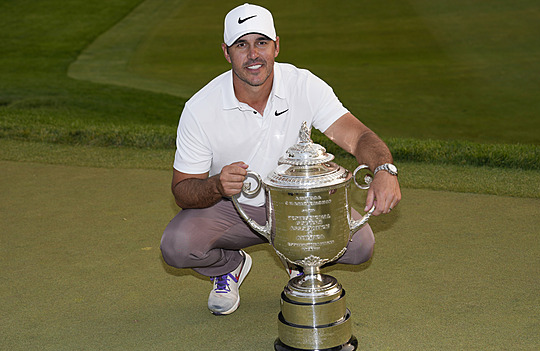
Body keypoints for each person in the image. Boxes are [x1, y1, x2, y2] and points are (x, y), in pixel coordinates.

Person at [160, 3, 401, 315]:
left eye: (261, 42)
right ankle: (228, 267)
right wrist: (217, 186)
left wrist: (384, 169)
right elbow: (182, 190)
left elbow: (357, 136)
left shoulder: (303, 84)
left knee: (360, 246)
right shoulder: (200, 108)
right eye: (241, 45)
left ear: (276, 46)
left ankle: (300, 259)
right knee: (178, 245)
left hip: (300, 205)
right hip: (234, 206)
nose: (253, 55)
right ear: (226, 52)